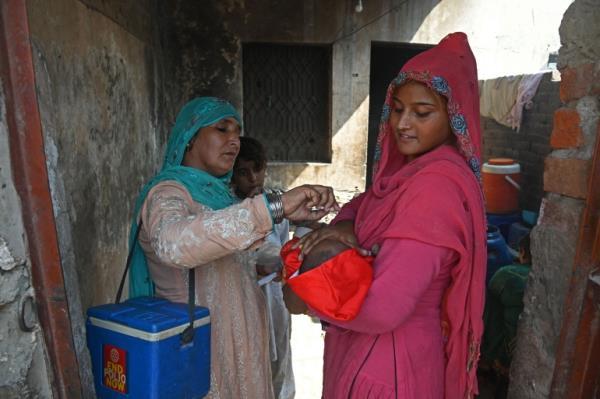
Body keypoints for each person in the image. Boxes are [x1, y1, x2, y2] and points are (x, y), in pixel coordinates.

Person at [292, 32, 487, 398]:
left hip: (390, 369)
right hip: (367, 355)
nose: (402, 124)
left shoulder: (436, 189)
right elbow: (363, 204)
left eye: (422, 112)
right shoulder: (407, 175)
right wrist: (347, 226)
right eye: (398, 109)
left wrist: (305, 292)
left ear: (454, 114)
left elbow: (383, 308)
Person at [126, 97, 338, 398]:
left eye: (237, 132)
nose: (234, 141)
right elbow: (173, 244)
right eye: (222, 129)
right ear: (190, 137)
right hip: (199, 349)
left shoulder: (223, 199)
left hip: (243, 345)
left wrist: (307, 239)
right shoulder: (167, 192)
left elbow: (255, 254)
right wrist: (272, 207)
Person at [231, 136, 295, 399]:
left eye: (258, 170)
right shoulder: (229, 210)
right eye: (244, 172)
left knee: (279, 360)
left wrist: (280, 269)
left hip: (274, 300)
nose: (253, 178)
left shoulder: (275, 208)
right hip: (245, 300)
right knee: (250, 363)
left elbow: (283, 252)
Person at [480, 234, 531, 395]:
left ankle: (486, 359)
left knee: (486, 298)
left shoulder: (509, 275)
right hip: (526, 355)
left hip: (504, 354)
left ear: (522, 252)